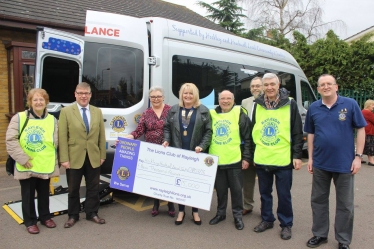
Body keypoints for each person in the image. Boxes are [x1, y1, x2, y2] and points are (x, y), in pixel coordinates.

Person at [305, 74, 366, 249]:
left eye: (329, 84)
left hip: (344, 164)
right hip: (320, 163)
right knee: (318, 200)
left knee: (345, 204)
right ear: (318, 89)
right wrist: (310, 158)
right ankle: (320, 234)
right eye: (322, 85)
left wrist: (358, 157)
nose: (326, 87)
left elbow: (361, 130)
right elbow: (311, 134)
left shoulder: (350, 104)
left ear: (336, 86)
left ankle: (343, 240)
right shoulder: (314, 108)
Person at [251, 73, 303, 240]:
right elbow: (253, 130)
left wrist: (297, 155)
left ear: (278, 84)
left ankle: (286, 224)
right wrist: (252, 153)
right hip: (262, 157)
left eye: (272, 84)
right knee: (264, 193)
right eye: (266, 85)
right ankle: (267, 219)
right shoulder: (257, 104)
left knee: (284, 194)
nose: (269, 87)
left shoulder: (290, 104)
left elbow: (297, 131)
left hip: (283, 158)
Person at [6, 88, 59, 234]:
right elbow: (10, 140)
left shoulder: (53, 120)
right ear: (30, 102)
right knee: (28, 196)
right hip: (27, 164)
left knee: (44, 194)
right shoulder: (19, 118)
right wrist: (22, 158)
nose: (38, 102)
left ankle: (45, 217)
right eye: (35, 99)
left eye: (41, 99)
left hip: (44, 164)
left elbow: (56, 142)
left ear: (46, 102)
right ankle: (30, 221)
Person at [162, 83, 212, 226]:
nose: (188, 96)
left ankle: (195, 211)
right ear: (181, 95)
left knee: (194, 183)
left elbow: (208, 131)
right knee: (180, 183)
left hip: (195, 154)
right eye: (185, 93)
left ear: (195, 95)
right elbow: (167, 127)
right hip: (178, 152)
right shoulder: (173, 110)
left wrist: (202, 146)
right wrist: (166, 140)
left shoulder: (203, 111)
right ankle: (181, 210)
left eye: (191, 93)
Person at [59, 82, 106, 228]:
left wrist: (102, 154)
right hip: (74, 157)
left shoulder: (97, 111)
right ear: (75, 94)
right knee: (73, 189)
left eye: (86, 93)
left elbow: (101, 135)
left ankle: (92, 213)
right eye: (80, 93)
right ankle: (73, 215)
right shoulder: (66, 111)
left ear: (90, 95)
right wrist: (64, 158)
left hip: (93, 156)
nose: (83, 96)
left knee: (93, 187)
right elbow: (62, 136)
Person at [125, 86, 175, 217]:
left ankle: (170, 203)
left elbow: (176, 129)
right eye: (153, 97)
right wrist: (129, 137)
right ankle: (156, 203)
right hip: (152, 151)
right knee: (155, 178)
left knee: (168, 177)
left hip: (168, 149)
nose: (156, 99)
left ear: (163, 97)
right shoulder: (146, 113)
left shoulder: (171, 111)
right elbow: (139, 130)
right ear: (150, 98)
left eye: (158, 96)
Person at [208, 90, 252, 230]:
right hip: (216, 160)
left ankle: (237, 216)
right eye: (222, 98)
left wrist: (246, 157)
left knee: (236, 190)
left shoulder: (239, 113)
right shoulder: (211, 114)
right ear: (218, 100)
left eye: (228, 98)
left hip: (234, 159)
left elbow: (248, 137)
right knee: (220, 190)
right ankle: (221, 213)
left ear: (233, 100)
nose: (225, 101)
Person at [241, 77, 263, 215]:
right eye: (253, 86)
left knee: (265, 181)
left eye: (258, 86)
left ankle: (265, 207)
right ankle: (247, 205)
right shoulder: (245, 102)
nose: (255, 88)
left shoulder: (269, 102)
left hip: (263, 146)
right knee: (248, 179)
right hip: (249, 144)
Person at [362, 99, 374, 166]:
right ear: (369, 105)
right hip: (369, 131)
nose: (373, 106)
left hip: (364, 131)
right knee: (370, 146)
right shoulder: (368, 113)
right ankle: (371, 160)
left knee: (364, 145)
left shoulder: (362, 111)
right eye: (372, 105)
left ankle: (360, 158)